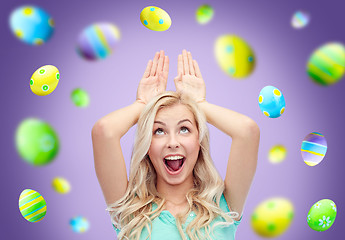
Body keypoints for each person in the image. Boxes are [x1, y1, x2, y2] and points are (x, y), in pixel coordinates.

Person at [91, 50, 260, 240]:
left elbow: (247, 131)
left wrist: (198, 104)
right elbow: (104, 131)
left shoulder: (224, 206)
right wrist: (142, 104)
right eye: (159, 131)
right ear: (147, 145)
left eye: (184, 129)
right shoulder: (130, 211)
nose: (173, 143)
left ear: (199, 141)